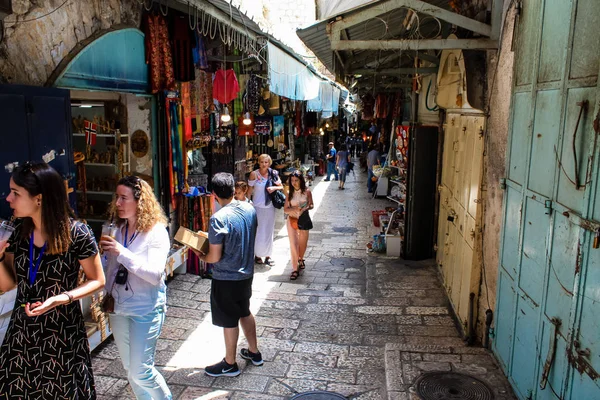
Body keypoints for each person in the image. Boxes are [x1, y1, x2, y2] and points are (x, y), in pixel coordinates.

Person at [0, 161, 105, 399]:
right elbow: (7, 285)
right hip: (23, 332)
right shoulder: (17, 231)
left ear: (39, 198)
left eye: (15, 193)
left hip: (62, 331)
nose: (8, 199)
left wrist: (62, 298)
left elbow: (98, 280)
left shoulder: (77, 233)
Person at [100, 175, 172, 400]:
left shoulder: (156, 232)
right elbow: (109, 268)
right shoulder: (116, 229)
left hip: (145, 308)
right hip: (119, 308)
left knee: (142, 371)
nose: (118, 203)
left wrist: (121, 252)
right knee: (131, 371)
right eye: (117, 197)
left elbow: (154, 275)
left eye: (124, 198)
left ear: (140, 201)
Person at [194, 173, 262, 377]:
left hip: (226, 277)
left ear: (213, 194)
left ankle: (230, 363)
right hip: (246, 273)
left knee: (229, 320)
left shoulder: (218, 218)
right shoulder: (249, 209)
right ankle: (254, 352)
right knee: (244, 311)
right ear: (233, 188)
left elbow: (214, 257)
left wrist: (200, 254)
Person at [247, 154, 283, 266]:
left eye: (266, 162)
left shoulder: (273, 174)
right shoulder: (254, 174)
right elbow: (249, 190)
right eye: (262, 162)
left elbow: (281, 186)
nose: (264, 164)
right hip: (257, 206)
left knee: (268, 230)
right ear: (258, 162)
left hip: (270, 207)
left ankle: (268, 255)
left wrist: (274, 188)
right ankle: (257, 255)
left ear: (269, 163)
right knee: (258, 231)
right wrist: (248, 203)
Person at [284, 170, 314, 280]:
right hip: (291, 220)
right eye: (292, 180)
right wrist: (295, 208)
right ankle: (294, 268)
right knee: (293, 244)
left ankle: (300, 259)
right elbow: (286, 209)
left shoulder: (307, 192)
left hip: (303, 220)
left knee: (303, 244)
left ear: (301, 180)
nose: (294, 183)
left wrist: (305, 207)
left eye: (296, 180)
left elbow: (311, 204)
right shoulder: (289, 193)